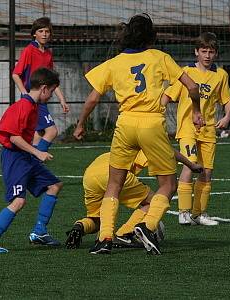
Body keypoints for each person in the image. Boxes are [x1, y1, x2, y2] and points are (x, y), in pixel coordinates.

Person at [73, 13, 204, 255]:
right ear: (151, 36)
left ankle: (104, 239)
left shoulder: (114, 63)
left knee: (114, 184)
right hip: (152, 123)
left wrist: (80, 124)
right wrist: (196, 111)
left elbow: (92, 97)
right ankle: (148, 225)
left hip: (125, 124)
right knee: (168, 184)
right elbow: (193, 87)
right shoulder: (159, 57)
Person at [0, 68, 64, 253]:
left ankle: (40, 231)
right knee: (19, 201)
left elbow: (27, 135)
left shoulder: (33, 106)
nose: (51, 96)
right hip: (14, 157)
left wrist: (33, 151)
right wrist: (38, 152)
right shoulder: (24, 106)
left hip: (25, 156)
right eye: (51, 91)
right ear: (43, 89)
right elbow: (13, 138)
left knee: (54, 185)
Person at [65, 150, 203, 250]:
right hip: (114, 174)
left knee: (96, 219)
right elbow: (167, 151)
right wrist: (190, 164)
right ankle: (125, 234)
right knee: (153, 201)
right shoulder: (142, 142)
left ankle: (81, 226)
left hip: (89, 177)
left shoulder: (120, 143)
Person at [162, 32, 230, 226]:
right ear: (196, 52)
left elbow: (227, 100)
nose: (207, 55)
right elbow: (167, 95)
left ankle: (198, 214)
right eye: (204, 51)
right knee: (190, 163)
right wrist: (157, 113)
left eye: (211, 52)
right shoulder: (185, 73)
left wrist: (227, 116)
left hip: (208, 130)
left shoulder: (220, 75)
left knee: (206, 172)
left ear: (216, 54)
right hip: (187, 129)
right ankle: (183, 212)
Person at [12, 17, 69, 153]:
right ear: (34, 34)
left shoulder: (48, 54)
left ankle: (32, 164)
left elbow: (51, 81)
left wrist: (61, 99)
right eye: (41, 31)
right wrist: (26, 95)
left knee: (37, 135)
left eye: (47, 31)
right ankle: (37, 160)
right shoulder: (29, 51)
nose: (44, 34)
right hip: (33, 99)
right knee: (52, 131)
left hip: (41, 100)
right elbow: (16, 74)